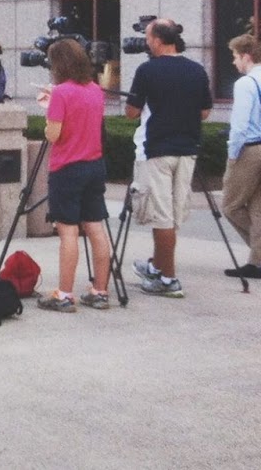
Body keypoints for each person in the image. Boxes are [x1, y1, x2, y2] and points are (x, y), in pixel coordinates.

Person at [125, 18, 212, 298]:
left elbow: (131, 112)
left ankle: (169, 279)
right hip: (188, 149)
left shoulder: (147, 70)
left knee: (161, 217)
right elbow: (204, 112)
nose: (146, 42)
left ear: (158, 40)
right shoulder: (197, 70)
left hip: (157, 150)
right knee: (171, 216)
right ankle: (158, 268)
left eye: (148, 37)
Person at [32, 38, 112, 312]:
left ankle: (64, 294)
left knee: (68, 231)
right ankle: (100, 291)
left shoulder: (61, 93)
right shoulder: (95, 90)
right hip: (94, 164)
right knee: (95, 227)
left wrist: (48, 115)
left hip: (67, 167)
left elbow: (53, 135)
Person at [221, 33, 261, 279]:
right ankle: (256, 261)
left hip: (250, 149)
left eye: (235, 56)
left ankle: (259, 255)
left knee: (230, 206)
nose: (234, 61)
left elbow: (239, 125)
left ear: (246, 56)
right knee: (258, 208)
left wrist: (232, 154)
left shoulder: (245, 83)